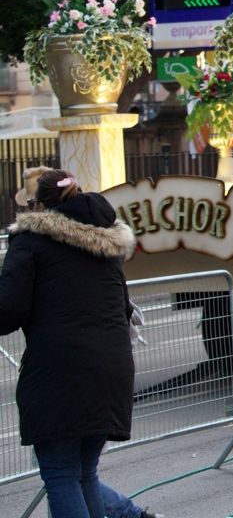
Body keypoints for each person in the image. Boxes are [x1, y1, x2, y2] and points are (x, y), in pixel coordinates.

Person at [0, 169, 136, 518]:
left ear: (40, 206)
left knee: (61, 475)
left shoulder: (29, 242)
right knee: (83, 473)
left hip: (59, 374)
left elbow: (7, 311)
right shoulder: (107, 244)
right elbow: (122, 306)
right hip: (112, 369)